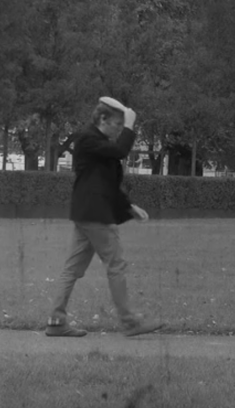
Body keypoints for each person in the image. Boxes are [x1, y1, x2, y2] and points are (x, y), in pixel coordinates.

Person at [45, 96, 164, 338]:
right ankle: (129, 322)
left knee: (72, 269)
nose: (120, 130)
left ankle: (56, 322)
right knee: (116, 265)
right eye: (117, 125)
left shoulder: (96, 142)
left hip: (86, 213)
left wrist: (128, 205)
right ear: (102, 119)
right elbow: (121, 151)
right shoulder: (88, 138)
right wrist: (131, 126)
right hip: (96, 215)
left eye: (123, 126)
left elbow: (105, 182)